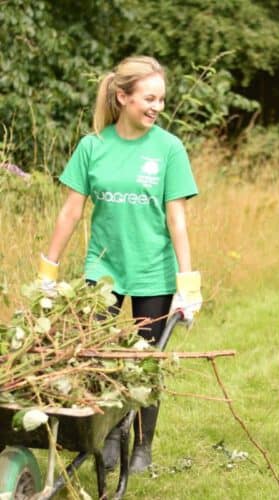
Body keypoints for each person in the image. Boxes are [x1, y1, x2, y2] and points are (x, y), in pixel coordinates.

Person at [37, 55, 203, 474]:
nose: (157, 107)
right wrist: (48, 273)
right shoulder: (93, 146)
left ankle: (142, 445)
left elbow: (176, 217)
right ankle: (110, 434)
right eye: (149, 98)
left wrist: (188, 283)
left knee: (146, 360)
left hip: (153, 270)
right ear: (122, 96)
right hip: (103, 271)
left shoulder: (169, 148)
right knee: (99, 357)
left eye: (162, 100)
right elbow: (70, 213)